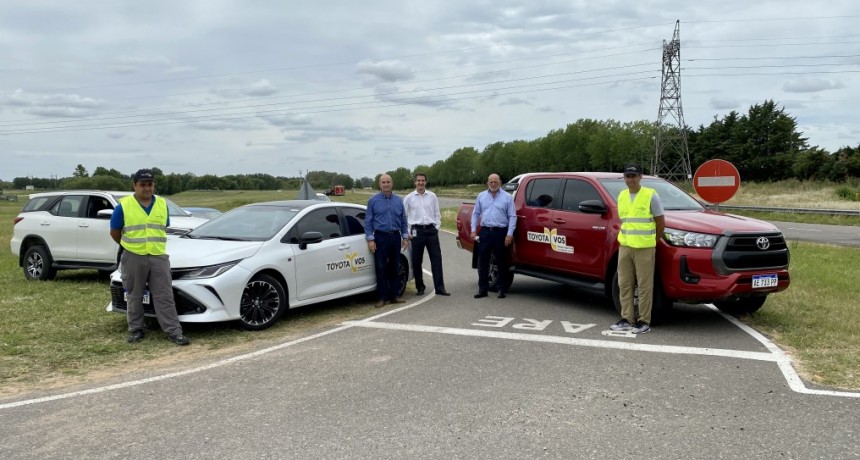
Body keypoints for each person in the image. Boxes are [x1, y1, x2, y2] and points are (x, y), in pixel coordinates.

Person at [110, 169, 190, 346]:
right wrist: (127, 246)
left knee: (165, 295)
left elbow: (163, 227)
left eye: (150, 184)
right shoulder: (123, 206)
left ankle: (174, 332)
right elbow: (115, 232)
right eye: (143, 185)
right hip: (133, 255)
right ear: (135, 185)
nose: (147, 188)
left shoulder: (162, 204)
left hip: (158, 256)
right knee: (134, 295)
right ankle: (136, 329)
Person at [609, 162, 666, 334]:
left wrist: (652, 241)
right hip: (626, 246)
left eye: (634, 176)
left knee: (644, 286)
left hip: (644, 247)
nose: (630, 179)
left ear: (640, 177)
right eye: (628, 176)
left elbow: (660, 222)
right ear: (624, 177)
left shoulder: (650, 195)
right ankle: (627, 318)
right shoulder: (622, 196)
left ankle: (644, 321)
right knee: (624, 283)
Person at [365, 174, 409, 308]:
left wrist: (405, 237)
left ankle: (395, 296)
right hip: (380, 237)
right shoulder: (373, 201)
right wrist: (370, 239)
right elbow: (368, 222)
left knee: (394, 267)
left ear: (392, 184)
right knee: (381, 268)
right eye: (383, 182)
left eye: (388, 182)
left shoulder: (398, 200)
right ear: (380, 184)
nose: (386, 184)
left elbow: (403, 220)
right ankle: (382, 298)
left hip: (395, 237)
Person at [470, 173, 516, 299]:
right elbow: (475, 213)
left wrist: (509, 234)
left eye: (496, 182)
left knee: (501, 262)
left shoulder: (507, 197)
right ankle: (482, 289)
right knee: (483, 262)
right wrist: (473, 230)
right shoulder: (481, 196)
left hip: (500, 232)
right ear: (487, 183)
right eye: (491, 182)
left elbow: (512, 216)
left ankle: (501, 289)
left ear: (500, 183)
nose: (493, 184)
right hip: (485, 232)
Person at [404, 172, 450, 297]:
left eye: (423, 180)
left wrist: (436, 227)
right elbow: (403, 217)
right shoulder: (409, 198)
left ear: (426, 182)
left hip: (431, 231)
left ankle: (440, 288)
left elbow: (437, 213)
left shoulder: (432, 196)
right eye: (418, 180)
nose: (421, 182)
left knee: (436, 259)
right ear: (415, 182)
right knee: (417, 261)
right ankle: (420, 287)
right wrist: (407, 232)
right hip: (416, 232)